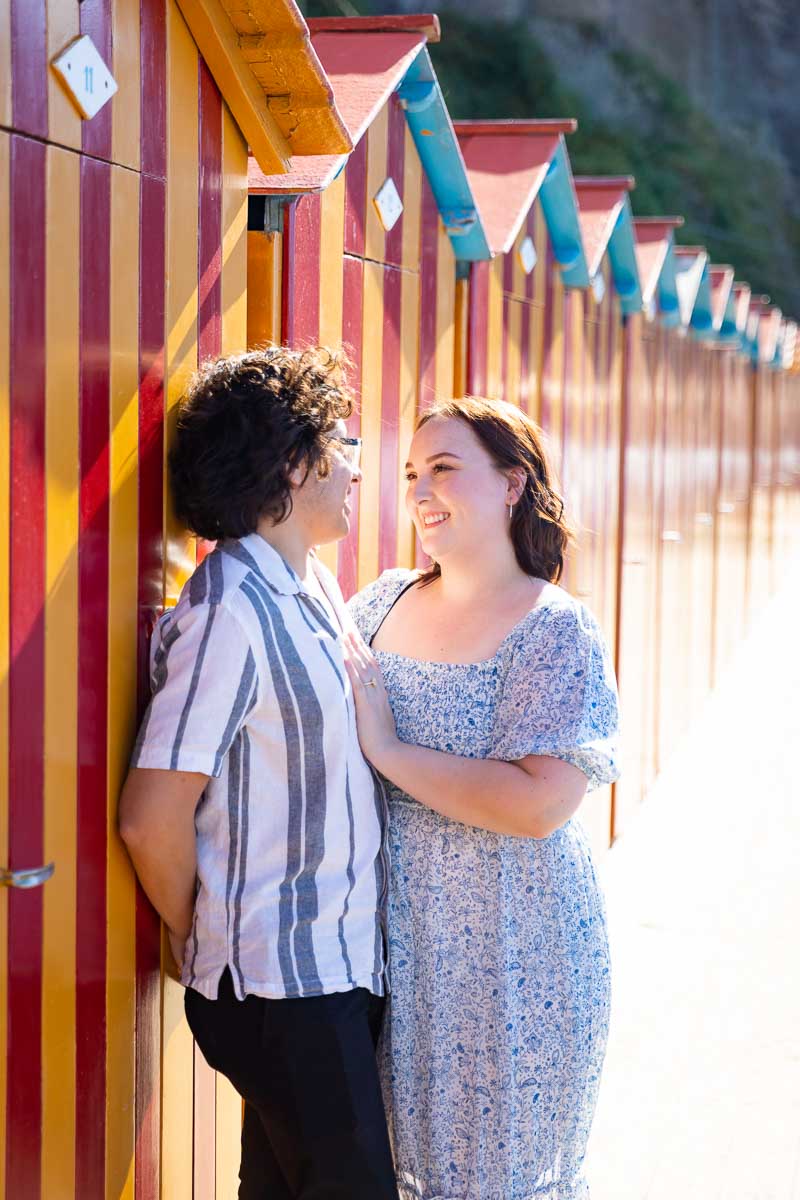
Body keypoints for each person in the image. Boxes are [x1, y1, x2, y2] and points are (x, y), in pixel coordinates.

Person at [119, 346, 398, 1200]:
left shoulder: (308, 583)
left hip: (334, 972)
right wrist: (195, 927)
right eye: (340, 443)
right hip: (281, 990)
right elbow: (150, 814)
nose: (355, 467)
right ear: (292, 463)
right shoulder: (229, 611)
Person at [344, 395, 620, 1200]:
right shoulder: (379, 602)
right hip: (400, 950)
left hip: (517, 948)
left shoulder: (553, 628)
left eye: (445, 469)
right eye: (411, 473)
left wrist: (390, 750)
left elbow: (539, 804)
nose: (421, 490)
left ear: (511, 484)